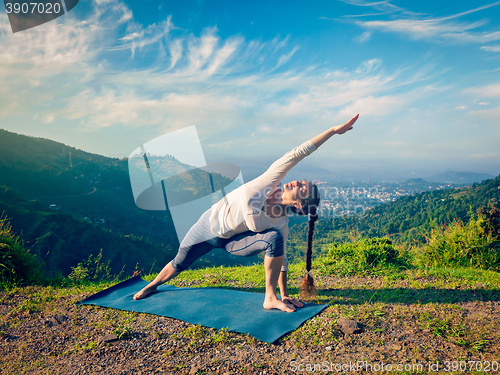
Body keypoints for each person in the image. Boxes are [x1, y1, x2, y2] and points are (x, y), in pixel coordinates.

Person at [133, 114, 359, 312]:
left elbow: (282, 260)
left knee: (275, 239)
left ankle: (269, 298)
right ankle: (152, 286)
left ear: (299, 205)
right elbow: (296, 154)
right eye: (302, 181)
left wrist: (283, 293)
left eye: (302, 188)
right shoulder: (269, 181)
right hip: (208, 226)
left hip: (234, 241)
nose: (297, 182)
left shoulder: (280, 222)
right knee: (179, 262)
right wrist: (332, 131)